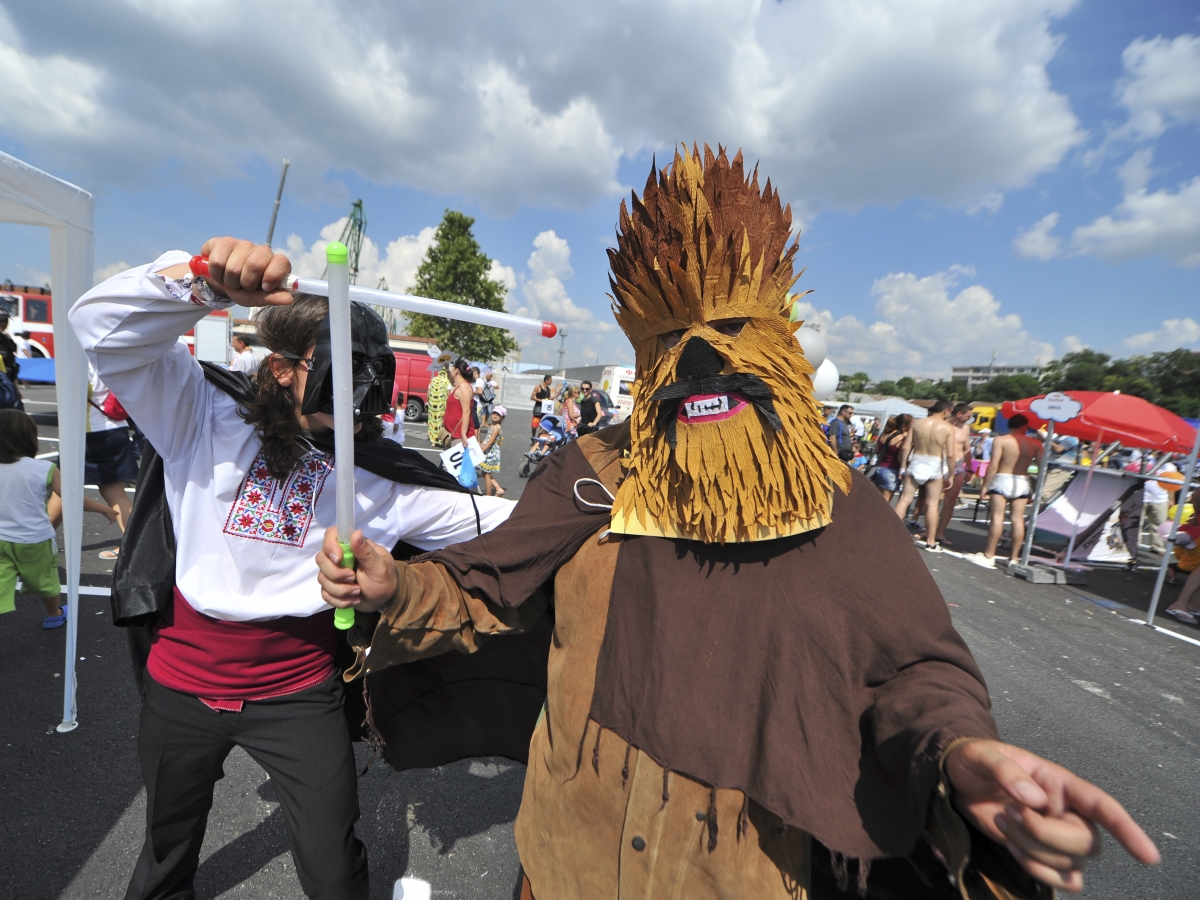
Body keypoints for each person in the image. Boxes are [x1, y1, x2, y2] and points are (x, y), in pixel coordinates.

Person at [317, 147, 1158, 899]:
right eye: (669, 338)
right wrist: (399, 583)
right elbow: (484, 584)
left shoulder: (836, 501)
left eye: (725, 328)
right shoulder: (595, 472)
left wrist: (961, 752)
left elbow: (913, 669)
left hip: (736, 875)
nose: (699, 359)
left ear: (782, 339)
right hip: (564, 859)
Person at [69, 238, 514, 900]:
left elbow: (519, 528)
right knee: (165, 852)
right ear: (282, 369)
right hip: (180, 688)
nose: (363, 385)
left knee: (334, 869)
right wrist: (208, 281)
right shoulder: (201, 414)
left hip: (297, 697)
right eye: (342, 365)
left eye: (374, 368)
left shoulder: (390, 481)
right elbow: (98, 325)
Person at [0, 409, 118, 627]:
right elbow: (72, 498)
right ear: (29, 438)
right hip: (34, 539)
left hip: (1, 540)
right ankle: (53, 615)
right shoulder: (43, 469)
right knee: (45, 580)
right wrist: (104, 508)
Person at [967, 414, 1043, 568]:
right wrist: (1036, 490)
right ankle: (1014, 558)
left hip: (1002, 478)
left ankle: (989, 555)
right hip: (1022, 480)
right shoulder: (1035, 443)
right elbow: (1042, 469)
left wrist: (985, 486)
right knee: (1017, 520)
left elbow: (993, 465)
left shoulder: (1001, 440)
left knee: (997, 518)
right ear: (1024, 426)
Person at [86, 364, 136, 559]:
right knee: (115, 493)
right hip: (115, 426)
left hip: (90, 431)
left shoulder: (80, 355)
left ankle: (35, 544)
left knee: (61, 489)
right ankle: (136, 547)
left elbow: (77, 390)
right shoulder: (109, 352)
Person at [893, 399, 954, 551]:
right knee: (932, 504)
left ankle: (889, 532)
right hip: (935, 464)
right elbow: (951, 455)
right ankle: (931, 541)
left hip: (917, 460)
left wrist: (902, 466)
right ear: (946, 411)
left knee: (904, 500)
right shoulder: (947, 427)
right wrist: (951, 474)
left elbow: (906, 446)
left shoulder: (918, 423)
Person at [934, 402, 975, 547]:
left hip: (958, 467)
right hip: (940, 464)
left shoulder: (966, 429)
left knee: (950, 503)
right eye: (968, 416)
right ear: (959, 414)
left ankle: (940, 532)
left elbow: (966, 450)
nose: (970, 419)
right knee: (934, 500)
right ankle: (930, 531)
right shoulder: (943, 425)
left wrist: (970, 469)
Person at [872, 414, 911, 503]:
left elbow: (876, 451)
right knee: (886, 502)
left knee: (876, 499)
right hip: (892, 469)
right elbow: (901, 458)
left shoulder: (884, 433)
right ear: (905, 426)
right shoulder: (901, 438)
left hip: (879, 468)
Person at [1141, 463, 1175, 554]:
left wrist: (1171, 500)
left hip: (1160, 500)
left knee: (1159, 525)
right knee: (1136, 523)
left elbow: (1172, 484)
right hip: (1142, 497)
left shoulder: (1170, 468)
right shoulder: (1148, 463)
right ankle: (1132, 546)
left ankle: (1158, 546)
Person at [443, 357, 476, 448]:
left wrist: (463, 433)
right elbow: (451, 379)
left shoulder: (464, 387)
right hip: (454, 435)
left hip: (460, 437)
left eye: (452, 367)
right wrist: (446, 367)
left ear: (456, 370)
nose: (451, 369)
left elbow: (466, 411)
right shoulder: (459, 385)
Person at [477, 406, 507, 497]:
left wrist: (481, 451)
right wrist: (480, 445)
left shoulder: (496, 428)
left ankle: (488, 495)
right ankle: (498, 489)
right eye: (494, 413)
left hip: (491, 453)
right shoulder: (492, 426)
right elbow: (486, 439)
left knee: (486, 474)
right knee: (485, 473)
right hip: (488, 451)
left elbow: (490, 442)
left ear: (502, 417)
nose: (495, 415)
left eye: (498, 414)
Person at [425, 360, 450, 445]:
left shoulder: (433, 380)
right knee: (440, 422)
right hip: (441, 406)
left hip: (432, 405)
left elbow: (428, 392)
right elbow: (449, 393)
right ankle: (440, 440)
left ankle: (433, 441)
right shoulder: (447, 381)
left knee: (432, 421)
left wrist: (427, 401)